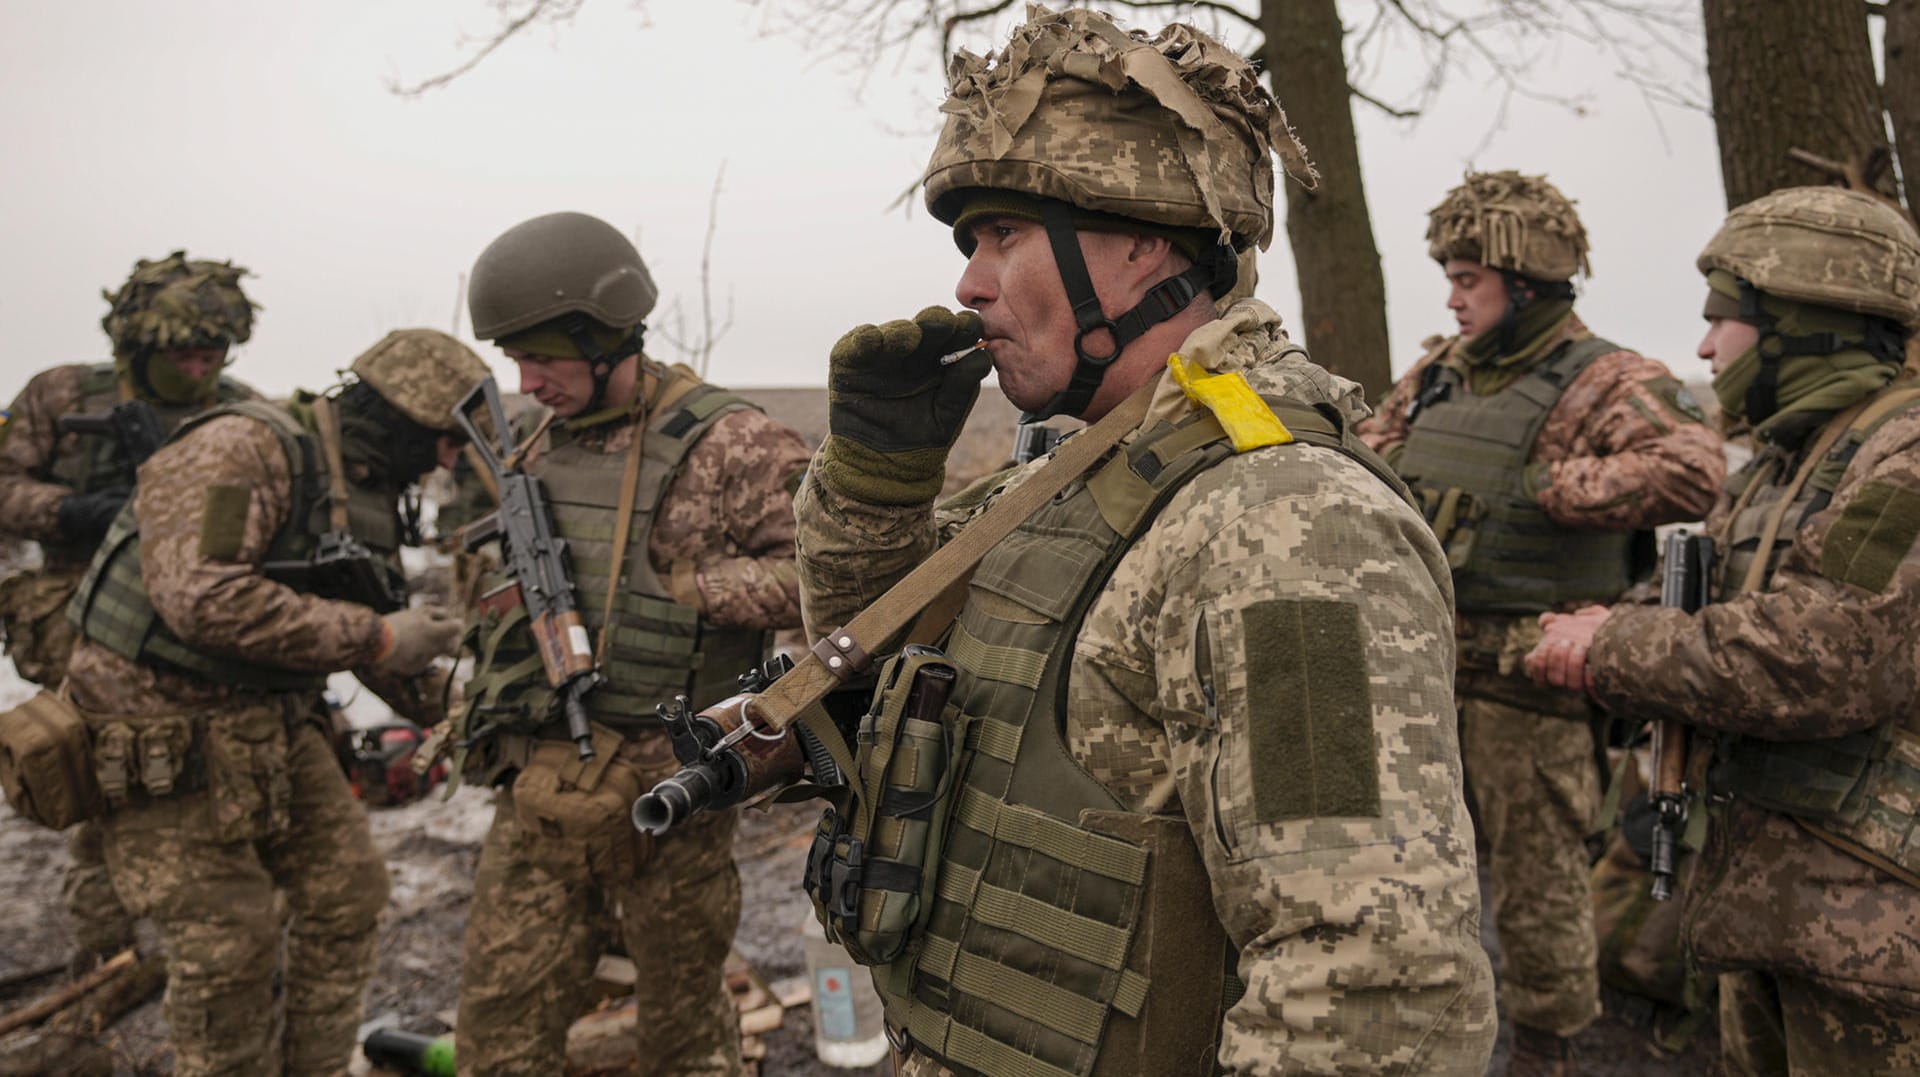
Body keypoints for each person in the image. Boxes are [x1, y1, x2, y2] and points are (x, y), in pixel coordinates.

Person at [791, 7, 1497, 1073]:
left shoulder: (1285, 519)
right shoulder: (1078, 477)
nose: (969, 285)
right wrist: (874, 486)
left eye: (1006, 236)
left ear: (1140, 244)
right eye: (971, 243)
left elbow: (1369, 982)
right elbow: (858, 665)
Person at [1529, 185, 1920, 1077]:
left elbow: (1824, 655)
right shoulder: (1792, 460)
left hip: (1882, 942)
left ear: (1802, 317)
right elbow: (1700, 607)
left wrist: (1613, 649)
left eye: (1722, 318)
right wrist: (1607, 624)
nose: (1704, 345)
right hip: (1793, 916)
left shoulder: (1903, 453)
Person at [1356, 170, 1725, 1073]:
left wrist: (1546, 490)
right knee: (1396, 875)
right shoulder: (1438, 373)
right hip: (1423, 670)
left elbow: (1694, 469)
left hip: (1534, 678)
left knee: (1539, 895)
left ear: (1524, 284)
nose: (1452, 296)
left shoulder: (1606, 378)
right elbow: (1366, 453)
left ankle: (1547, 1052)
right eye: (1448, 276)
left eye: (1469, 279)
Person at [61, 328, 485, 1076]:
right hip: (154, 726)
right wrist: (380, 636)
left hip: (268, 719)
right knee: (227, 943)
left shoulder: (361, 486)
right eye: (447, 440)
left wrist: (469, 712)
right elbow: (202, 596)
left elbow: (373, 632)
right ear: (403, 420)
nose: (450, 460)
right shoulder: (245, 448)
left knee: (348, 891)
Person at [452, 210, 811, 1076]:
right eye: (515, 360)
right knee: (499, 1028)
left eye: (544, 357)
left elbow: (833, 580)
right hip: (541, 783)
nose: (528, 380)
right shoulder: (535, 446)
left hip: (671, 793)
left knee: (684, 1032)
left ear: (606, 334)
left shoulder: (732, 441)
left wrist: (686, 589)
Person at [0, 251, 260, 970]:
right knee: (98, 782)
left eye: (215, 355)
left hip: (190, 622)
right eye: (187, 356)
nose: (203, 371)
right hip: (72, 612)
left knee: (196, 780)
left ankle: (209, 940)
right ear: (141, 344)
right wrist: (73, 511)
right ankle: (107, 952)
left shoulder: (240, 406)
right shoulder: (58, 393)